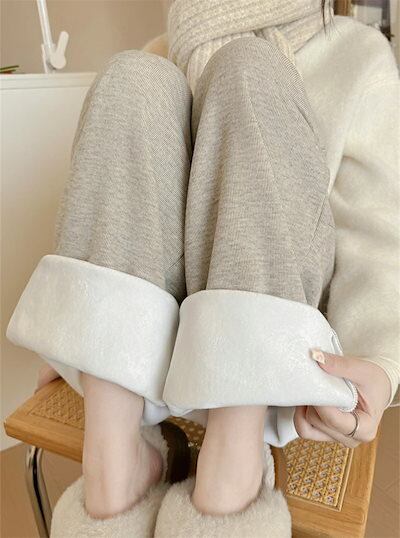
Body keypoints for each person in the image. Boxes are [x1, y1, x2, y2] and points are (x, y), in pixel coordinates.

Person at [6, 0, 399, 536]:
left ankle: (233, 467)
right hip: (153, 355)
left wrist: (380, 361)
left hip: (277, 361)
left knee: (249, 72)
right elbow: (123, 210)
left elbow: (379, 234)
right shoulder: (168, 50)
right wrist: (83, 333)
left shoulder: (357, 56)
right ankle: (114, 463)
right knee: (133, 79)